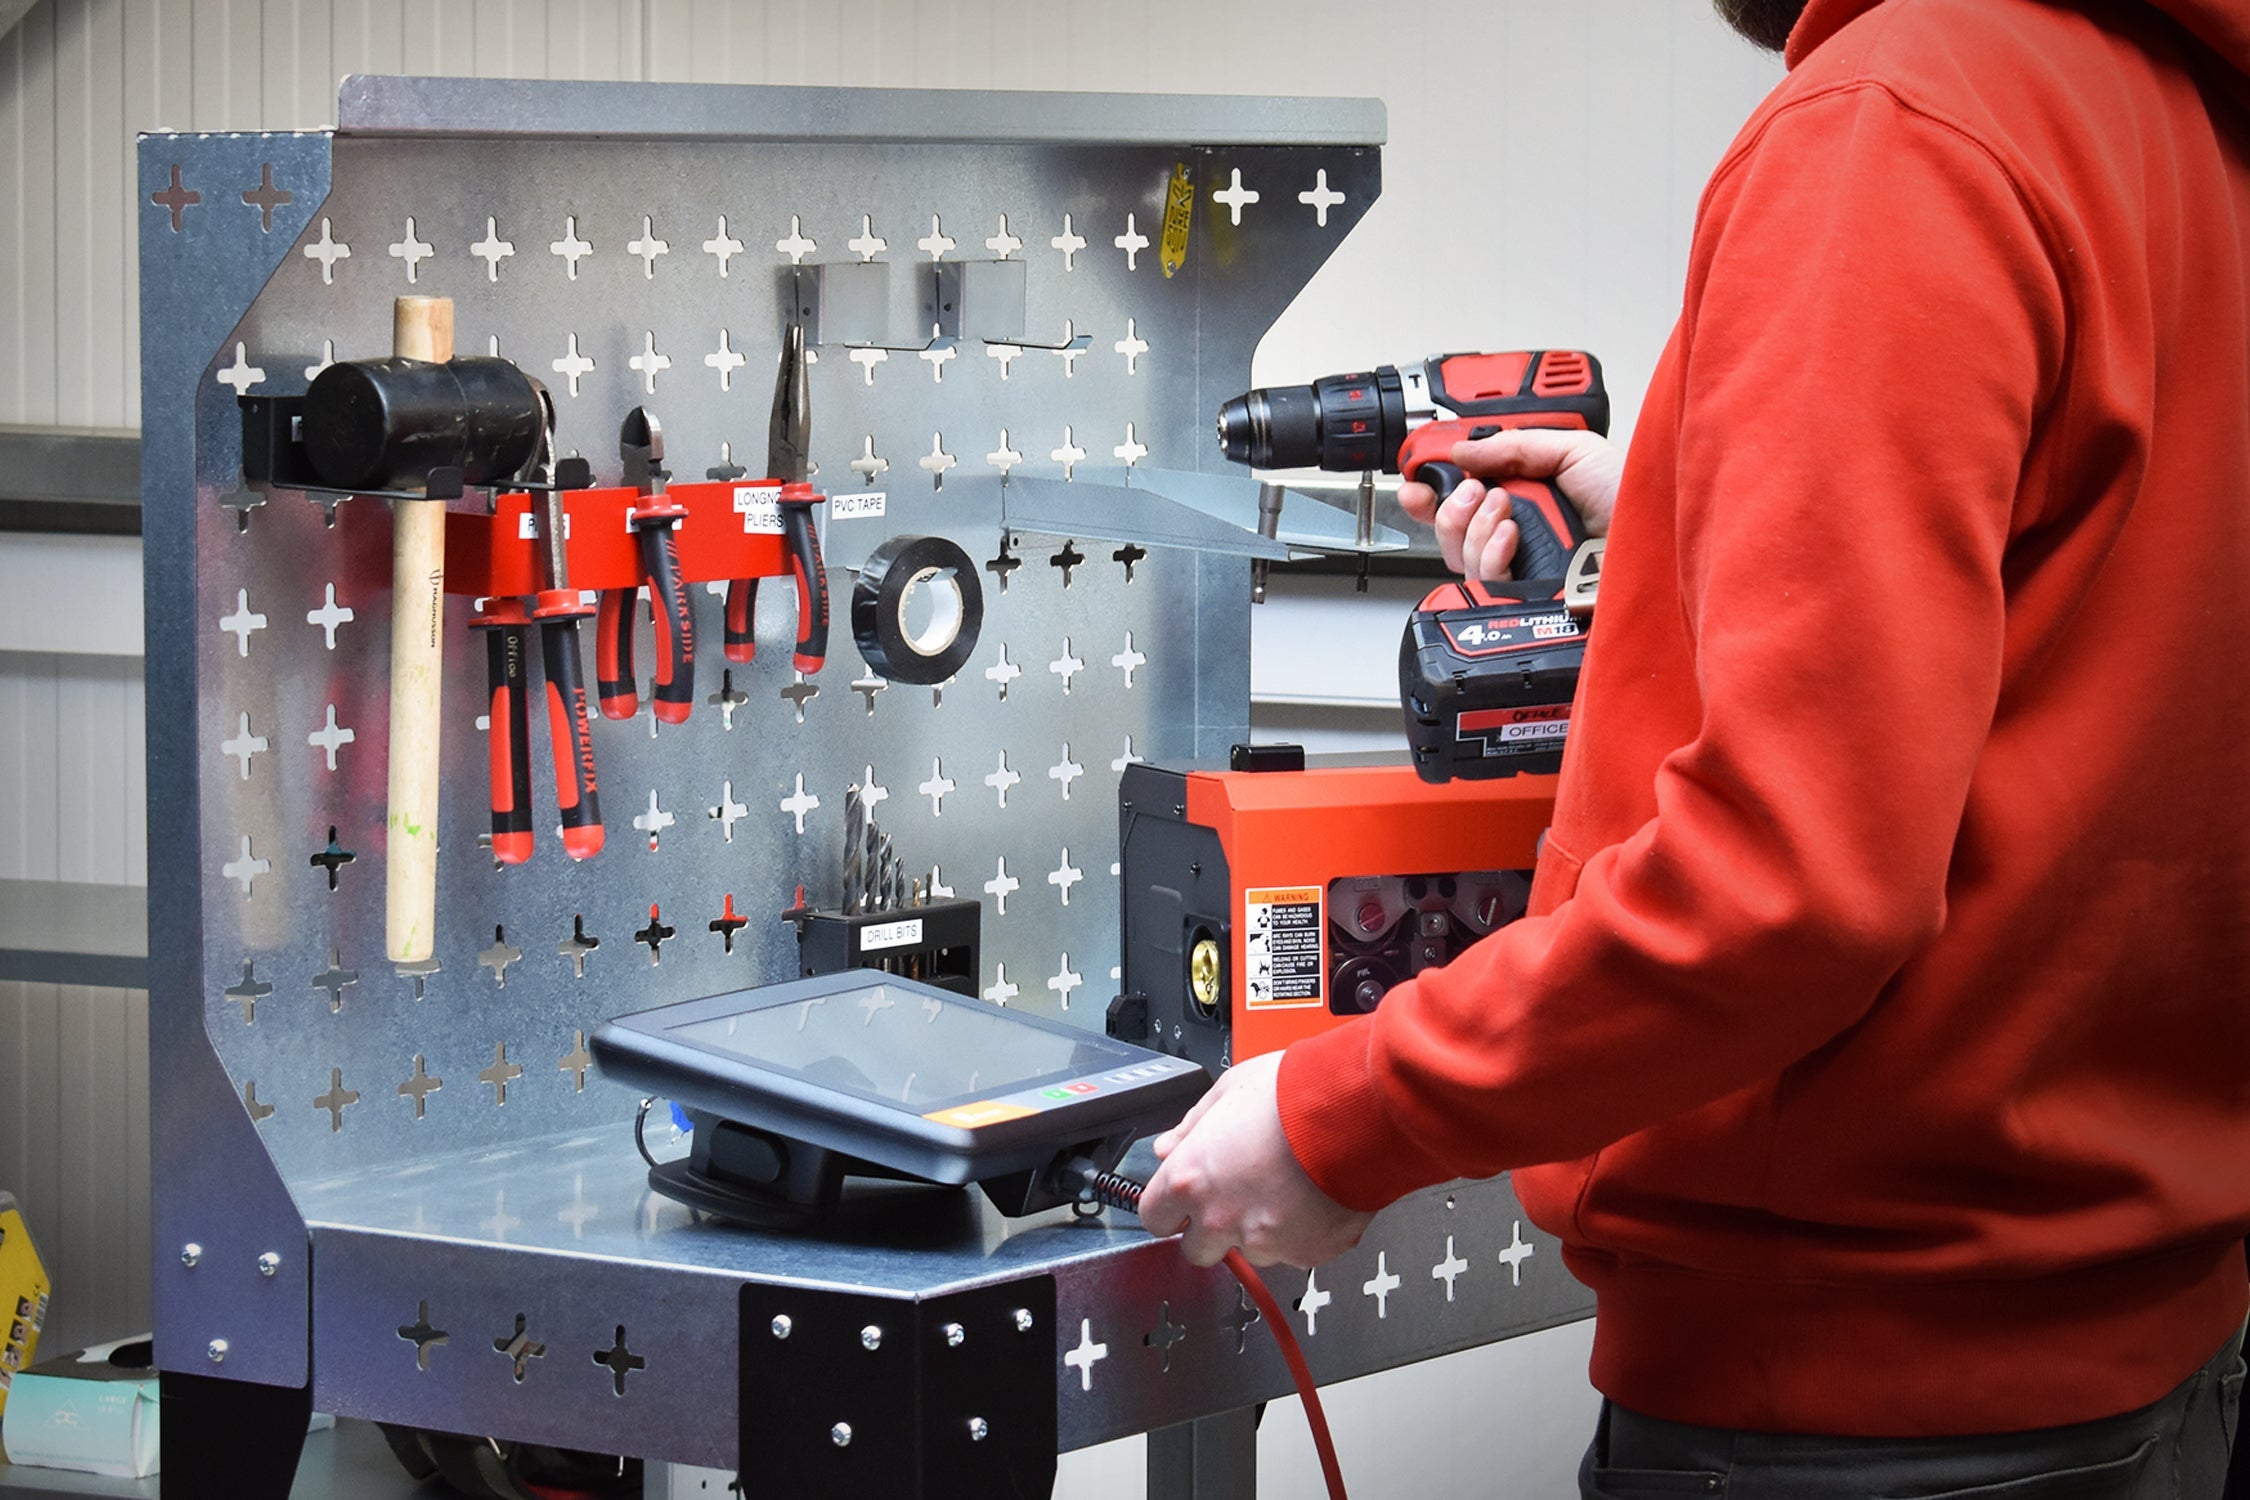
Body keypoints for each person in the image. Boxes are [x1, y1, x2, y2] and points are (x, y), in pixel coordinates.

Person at [1136, 0, 2250, 1492]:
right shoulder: (2182, 125)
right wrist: (1670, 499)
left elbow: (1795, 887)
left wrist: (1343, 1117)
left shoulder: (1900, 124)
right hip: (2151, 1357)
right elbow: (2103, 629)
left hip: (1854, 1400)